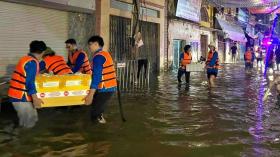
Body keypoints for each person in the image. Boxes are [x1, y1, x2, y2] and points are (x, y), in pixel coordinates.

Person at [8, 41, 46, 128]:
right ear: (43, 52)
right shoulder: (32, 62)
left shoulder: (26, 59)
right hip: (20, 97)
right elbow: (30, 82)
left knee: (32, 119)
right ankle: (22, 138)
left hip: (17, 95)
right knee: (29, 123)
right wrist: (35, 99)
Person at [83, 36, 117, 124]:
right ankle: (100, 120)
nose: (89, 47)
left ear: (96, 44)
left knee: (94, 113)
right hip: (109, 87)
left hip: (105, 88)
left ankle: (95, 132)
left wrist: (90, 94)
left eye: (90, 44)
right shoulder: (105, 54)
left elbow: (97, 77)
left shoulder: (98, 57)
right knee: (98, 108)